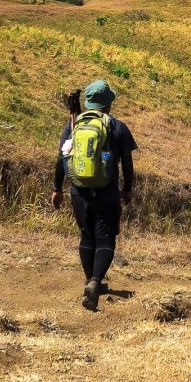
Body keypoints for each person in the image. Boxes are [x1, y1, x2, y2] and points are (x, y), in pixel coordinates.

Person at [51, 79, 137, 311]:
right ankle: (96, 281)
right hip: (107, 192)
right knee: (105, 237)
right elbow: (127, 163)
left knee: (87, 235)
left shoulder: (74, 125)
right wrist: (127, 188)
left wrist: (57, 188)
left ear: (89, 102)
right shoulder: (117, 127)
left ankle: (90, 280)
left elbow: (62, 158)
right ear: (109, 103)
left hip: (79, 190)